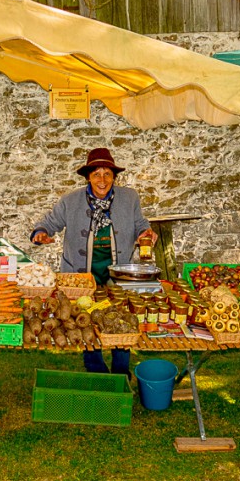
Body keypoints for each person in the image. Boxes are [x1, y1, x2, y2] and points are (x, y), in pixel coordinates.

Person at [31, 147, 156, 375]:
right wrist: (41, 232)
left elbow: (139, 222)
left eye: (107, 174)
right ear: (88, 176)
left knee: (121, 317)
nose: (102, 180)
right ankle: (95, 367)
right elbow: (50, 222)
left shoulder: (129, 198)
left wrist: (146, 232)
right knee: (84, 317)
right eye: (96, 174)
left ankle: (120, 370)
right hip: (80, 274)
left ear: (114, 177)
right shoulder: (70, 201)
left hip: (116, 273)